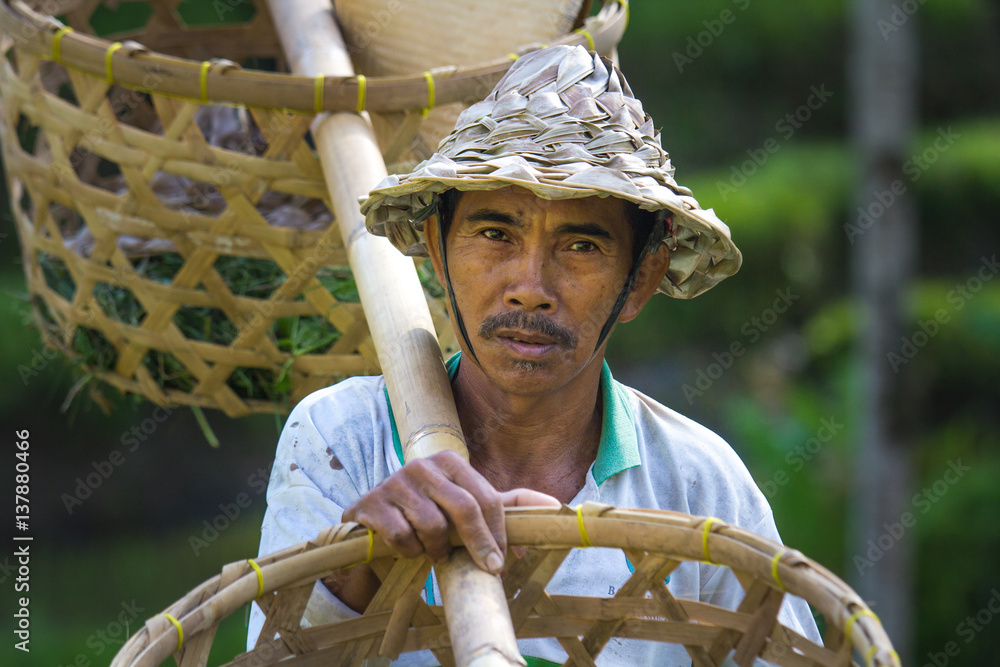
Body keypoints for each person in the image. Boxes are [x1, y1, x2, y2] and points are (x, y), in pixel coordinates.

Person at [248, 45, 820, 664]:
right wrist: (356, 571)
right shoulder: (343, 439)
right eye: (495, 235)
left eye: (580, 246)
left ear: (643, 279)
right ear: (438, 254)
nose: (530, 286)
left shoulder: (697, 485)